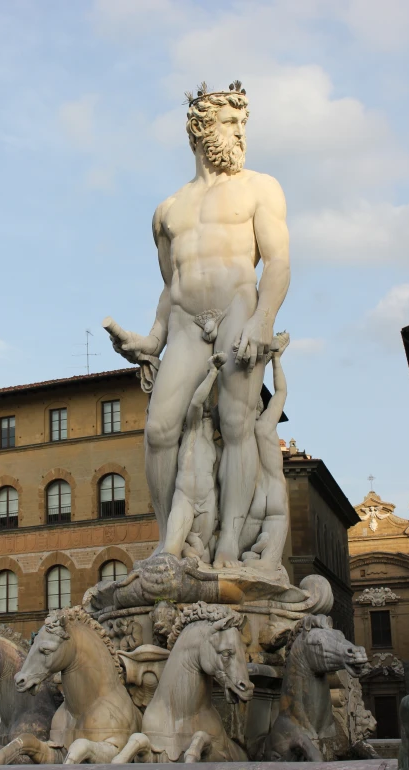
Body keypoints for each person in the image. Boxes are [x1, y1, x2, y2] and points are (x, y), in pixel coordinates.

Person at [107, 83, 290, 568]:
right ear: (200, 129)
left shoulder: (260, 187)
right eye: (231, 123)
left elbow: (277, 263)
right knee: (160, 429)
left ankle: (228, 540)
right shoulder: (167, 210)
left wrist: (262, 320)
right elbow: (172, 287)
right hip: (187, 325)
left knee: (235, 423)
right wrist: (151, 339)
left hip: (237, 310)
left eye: (243, 124)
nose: (240, 133)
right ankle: (170, 541)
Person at [163, 352, 226, 561]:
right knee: (171, 550)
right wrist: (212, 373)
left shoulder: (217, 450)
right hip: (185, 499)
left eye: (212, 408)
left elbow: (218, 481)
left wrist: (216, 510)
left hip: (208, 502)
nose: (207, 410)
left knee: (202, 555)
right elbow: (196, 404)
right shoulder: (192, 431)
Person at [240, 332, 290, 571]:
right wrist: (277, 359)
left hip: (255, 500)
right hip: (276, 495)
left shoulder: (238, 434)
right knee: (269, 567)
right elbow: (280, 392)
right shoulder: (266, 425)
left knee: (235, 559)